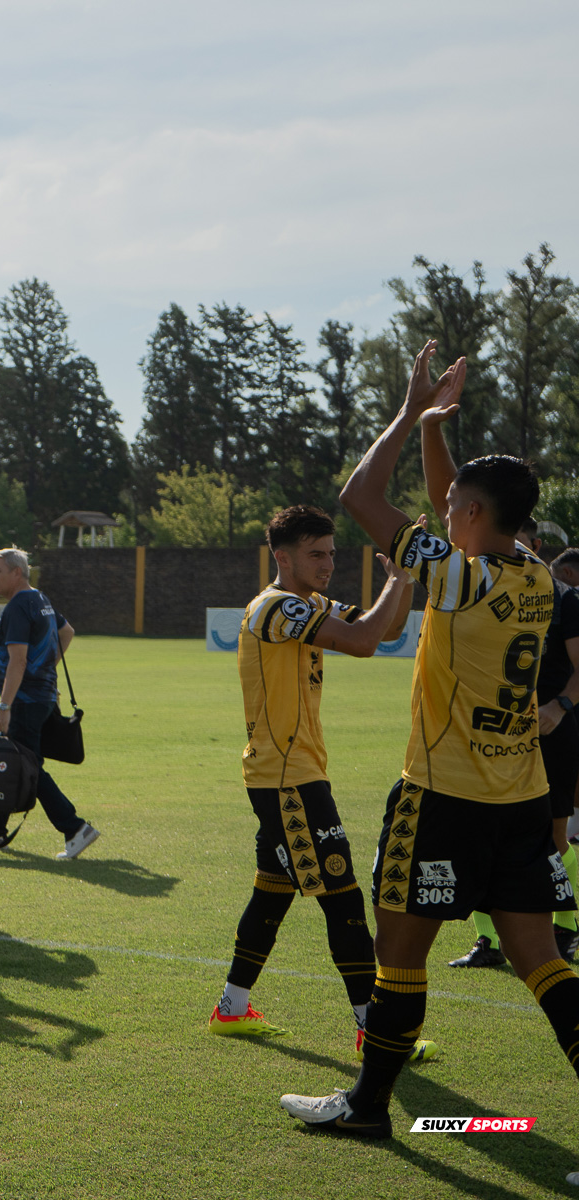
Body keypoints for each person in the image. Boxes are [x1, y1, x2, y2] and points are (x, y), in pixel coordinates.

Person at [282, 341, 579, 1142]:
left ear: (474, 520)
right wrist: (438, 431)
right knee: (543, 961)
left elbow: (358, 495)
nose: (441, 512)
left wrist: (411, 412)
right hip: (522, 799)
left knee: (398, 954)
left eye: (453, 511)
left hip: (445, 795)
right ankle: (370, 1103)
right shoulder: (536, 576)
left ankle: (368, 1108)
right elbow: (459, 501)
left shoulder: (460, 577)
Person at [207, 504, 423, 1051]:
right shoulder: (277, 608)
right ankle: (370, 1027)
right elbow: (363, 641)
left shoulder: (311, 603)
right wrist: (397, 576)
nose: (329, 563)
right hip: (287, 780)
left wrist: (404, 578)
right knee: (344, 899)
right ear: (283, 557)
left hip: (292, 774)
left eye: (332, 553)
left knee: (273, 892)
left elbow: (389, 629)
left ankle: (230, 1008)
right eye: (316, 554)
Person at [449, 518, 579, 967]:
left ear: (535, 545)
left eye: (518, 543)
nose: (507, 552)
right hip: (493, 732)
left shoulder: (563, 598)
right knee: (485, 837)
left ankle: (566, 929)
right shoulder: (479, 588)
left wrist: (559, 706)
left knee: (555, 838)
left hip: (551, 731)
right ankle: (488, 942)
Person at [0, 548, 102, 861]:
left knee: (27, 766)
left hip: (25, 701)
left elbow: (17, 660)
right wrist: (47, 669)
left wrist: (4, 708)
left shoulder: (19, 605)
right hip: (41, 697)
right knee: (19, 762)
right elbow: (67, 632)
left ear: (17, 573)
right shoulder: (39, 599)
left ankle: (74, 828)